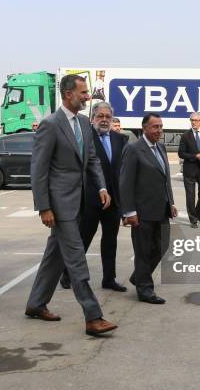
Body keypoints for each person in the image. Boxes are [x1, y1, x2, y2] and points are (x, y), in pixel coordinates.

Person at [25, 74, 117, 336]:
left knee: (54, 257)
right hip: (59, 205)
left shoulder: (85, 123)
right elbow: (38, 169)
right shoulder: (51, 125)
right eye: (83, 92)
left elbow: (92, 160)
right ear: (68, 95)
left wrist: (101, 187)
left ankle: (36, 303)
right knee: (76, 260)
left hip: (80, 202)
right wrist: (43, 207)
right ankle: (93, 316)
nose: (88, 96)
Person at [59, 102, 128, 292]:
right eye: (100, 116)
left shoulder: (120, 139)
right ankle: (68, 274)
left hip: (113, 201)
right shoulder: (84, 137)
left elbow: (121, 172)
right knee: (82, 240)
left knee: (110, 241)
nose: (104, 120)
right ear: (92, 118)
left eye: (108, 117)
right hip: (89, 199)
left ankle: (109, 279)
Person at [120, 113, 177, 304]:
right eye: (155, 127)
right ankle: (145, 290)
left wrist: (171, 202)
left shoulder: (160, 147)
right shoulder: (134, 149)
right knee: (143, 251)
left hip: (162, 209)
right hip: (142, 212)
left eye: (161, 126)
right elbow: (126, 183)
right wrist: (129, 212)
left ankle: (139, 276)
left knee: (163, 245)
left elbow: (165, 178)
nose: (159, 130)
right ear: (144, 128)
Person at [178, 112, 200, 228]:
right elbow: (181, 153)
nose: (194, 122)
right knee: (190, 196)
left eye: (196, 120)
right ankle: (193, 220)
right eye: (192, 120)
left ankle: (198, 214)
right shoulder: (185, 136)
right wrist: (195, 156)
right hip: (190, 170)